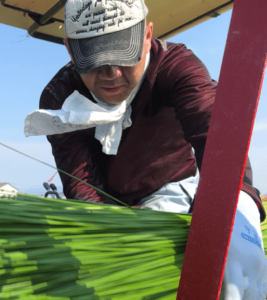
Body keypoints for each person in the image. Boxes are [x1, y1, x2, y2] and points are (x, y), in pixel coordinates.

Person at [24, 0, 267, 298]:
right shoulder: (59, 96)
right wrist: (120, 228)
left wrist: (237, 207)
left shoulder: (176, 68)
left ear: (148, 35)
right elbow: (81, 182)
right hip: (110, 210)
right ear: (69, 50)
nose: (111, 73)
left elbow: (217, 141)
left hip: (175, 195)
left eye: (123, 53)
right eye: (94, 58)